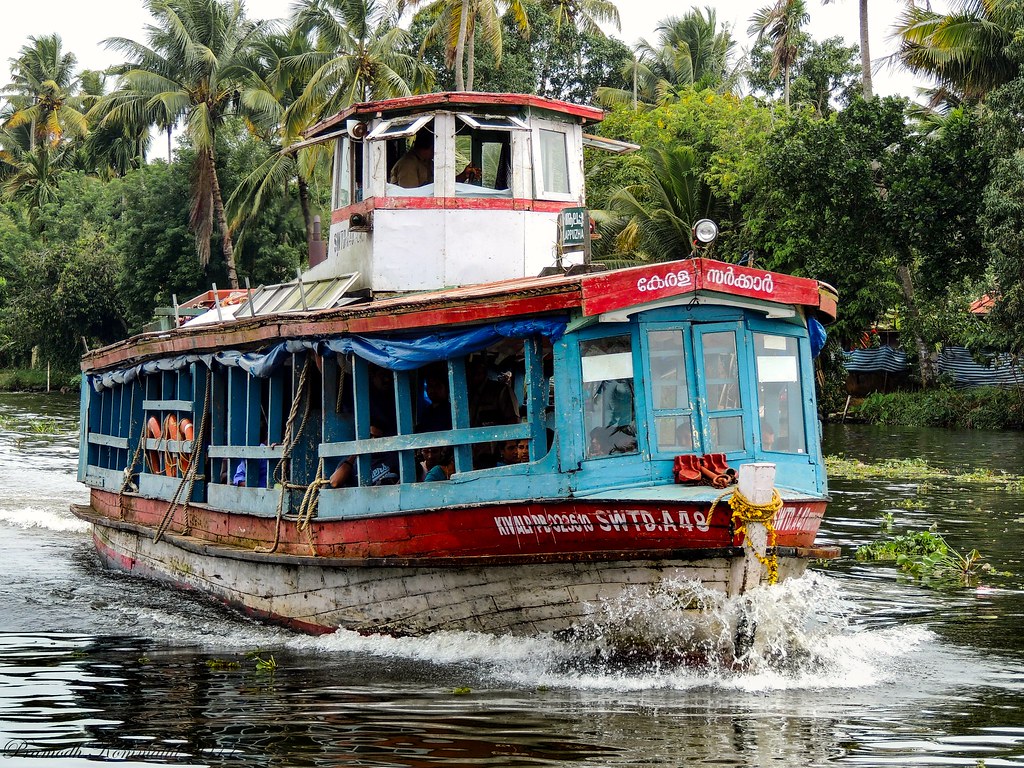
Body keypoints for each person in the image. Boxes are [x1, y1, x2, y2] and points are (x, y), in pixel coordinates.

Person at [389, 128, 481, 189]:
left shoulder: (428, 163)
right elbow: (410, 197)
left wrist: (464, 175)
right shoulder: (408, 164)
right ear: (433, 147)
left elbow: (443, 188)